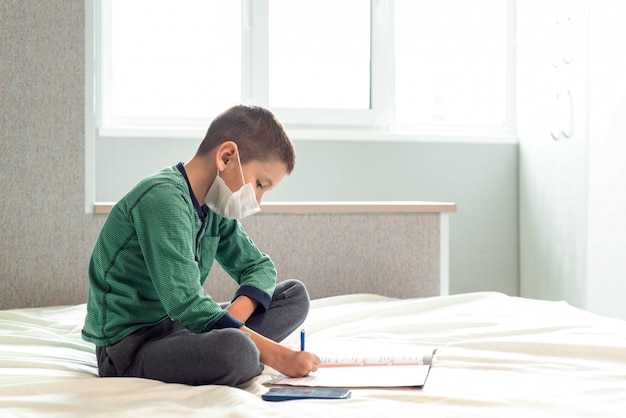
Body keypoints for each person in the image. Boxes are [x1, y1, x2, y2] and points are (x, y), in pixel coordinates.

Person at [82, 104, 320, 386]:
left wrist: (234, 318)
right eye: (259, 184)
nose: (257, 201)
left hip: (179, 326)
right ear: (227, 157)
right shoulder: (162, 199)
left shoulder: (214, 206)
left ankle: (228, 338)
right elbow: (187, 303)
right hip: (130, 346)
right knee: (238, 351)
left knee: (293, 295)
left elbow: (258, 266)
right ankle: (236, 347)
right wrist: (278, 356)